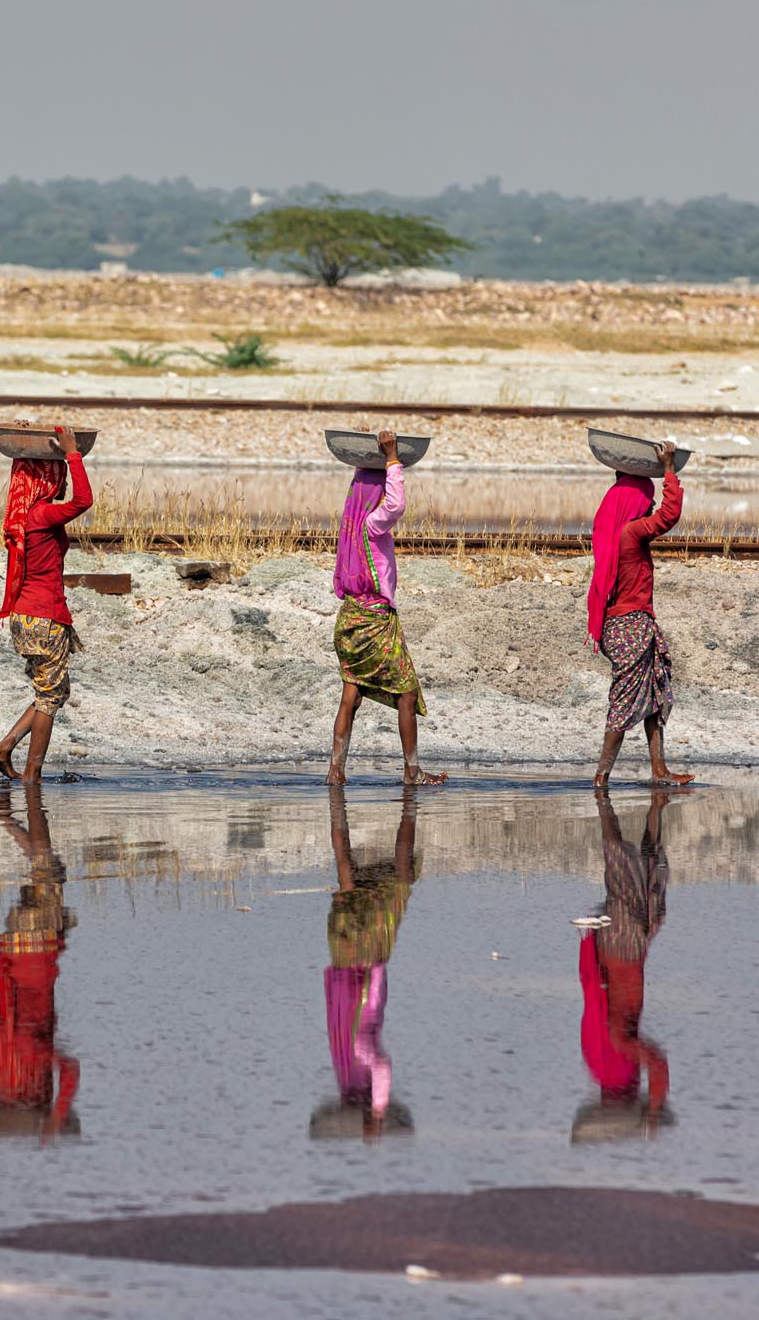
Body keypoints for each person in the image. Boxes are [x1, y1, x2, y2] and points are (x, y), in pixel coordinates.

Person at [326, 429, 445, 787]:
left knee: (351, 695)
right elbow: (395, 505)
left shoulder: (350, 526)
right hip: (376, 622)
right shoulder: (372, 524)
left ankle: (336, 770)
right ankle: (412, 772)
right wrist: (393, 459)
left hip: (349, 619)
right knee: (406, 694)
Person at [310, 787, 418, 1142]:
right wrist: (377, 1109)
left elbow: (380, 1065)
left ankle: (350, 813)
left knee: (392, 883)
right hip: (351, 961)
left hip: (362, 961)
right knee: (356, 887)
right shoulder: (346, 1058)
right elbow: (379, 1066)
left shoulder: (353, 1054)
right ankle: (357, 816)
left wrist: (377, 1110)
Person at [0, 426, 93, 782]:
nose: (61, 483)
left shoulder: (23, 516)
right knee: (49, 698)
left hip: (27, 617)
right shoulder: (42, 514)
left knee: (55, 691)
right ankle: (33, 776)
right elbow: (83, 502)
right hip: (44, 618)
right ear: (46, 481)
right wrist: (72, 454)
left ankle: (5, 746)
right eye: (57, 477)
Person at [587, 440, 694, 790]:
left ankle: (659, 770)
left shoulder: (608, 528)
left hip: (622, 625)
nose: (649, 507)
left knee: (655, 694)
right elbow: (669, 515)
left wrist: (626, 471)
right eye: (645, 502)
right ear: (635, 504)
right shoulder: (632, 532)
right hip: (631, 626)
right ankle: (601, 778)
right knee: (624, 702)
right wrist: (668, 471)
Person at [0, 781, 80, 1141]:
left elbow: (70, 1071)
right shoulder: (9, 1052)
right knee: (45, 869)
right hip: (20, 946)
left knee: (47, 869)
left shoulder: (28, 1052)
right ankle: (11, 813)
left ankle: (8, 814)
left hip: (37, 946)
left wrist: (56, 1118)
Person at [572, 792, 673, 1143]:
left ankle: (606, 803)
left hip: (624, 948)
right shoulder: (598, 1063)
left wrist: (656, 1111)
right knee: (642, 874)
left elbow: (657, 1064)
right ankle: (647, 806)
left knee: (631, 871)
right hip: (622, 949)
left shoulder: (615, 1055)